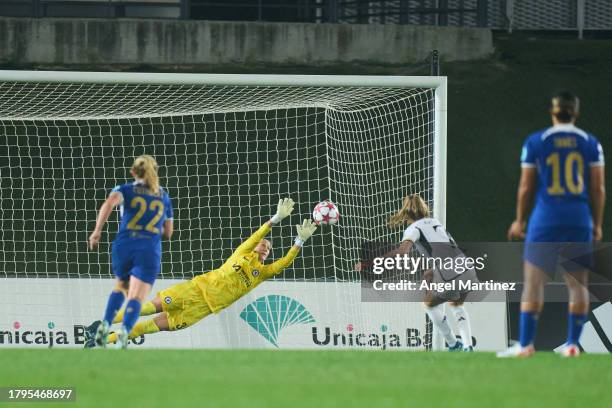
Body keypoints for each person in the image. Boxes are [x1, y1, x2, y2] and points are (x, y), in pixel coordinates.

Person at [85, 198, 317, 347]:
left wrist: (299, 241)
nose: (265, 249)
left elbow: (283, 264)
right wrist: (276, 219)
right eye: (263, 246)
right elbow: (256, 235)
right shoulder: (242, 253)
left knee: (147, 327)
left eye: (268, 249)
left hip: (202, 309)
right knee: (147, 308)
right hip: (194, 289)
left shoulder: (262, 273)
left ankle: (102, 340)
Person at [499, 91, 605, 358]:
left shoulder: (536, 141)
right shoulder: (590, 142)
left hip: (545, 218)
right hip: (578, 217)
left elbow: (526, 186)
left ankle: (525, 345)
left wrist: (519, 219)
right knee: (577, 285)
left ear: (553, 112)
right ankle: (571, 345)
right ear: (576, 112)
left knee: (534, 284)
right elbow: (598, 188)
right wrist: (597, 223)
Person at [356, 194, 476, 351]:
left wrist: (369, 262)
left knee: (429, 305)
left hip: (449, 270)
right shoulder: (435, 222)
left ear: (405, 212)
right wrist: (430, 272)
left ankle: (453, 344)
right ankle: (468, 346)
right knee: (456, 304)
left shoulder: (413, 229)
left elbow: (401, 252)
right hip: (465, 265)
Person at [88, 155, 174, 349]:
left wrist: (97, 231)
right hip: (148, 249)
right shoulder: (163, 196)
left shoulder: (124, 189)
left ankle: (105, 324)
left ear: (133, 172)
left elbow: (109, 204)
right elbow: (168, 232)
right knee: (137, 297)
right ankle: (124, 334)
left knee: (121, 287)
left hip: (125, 244)